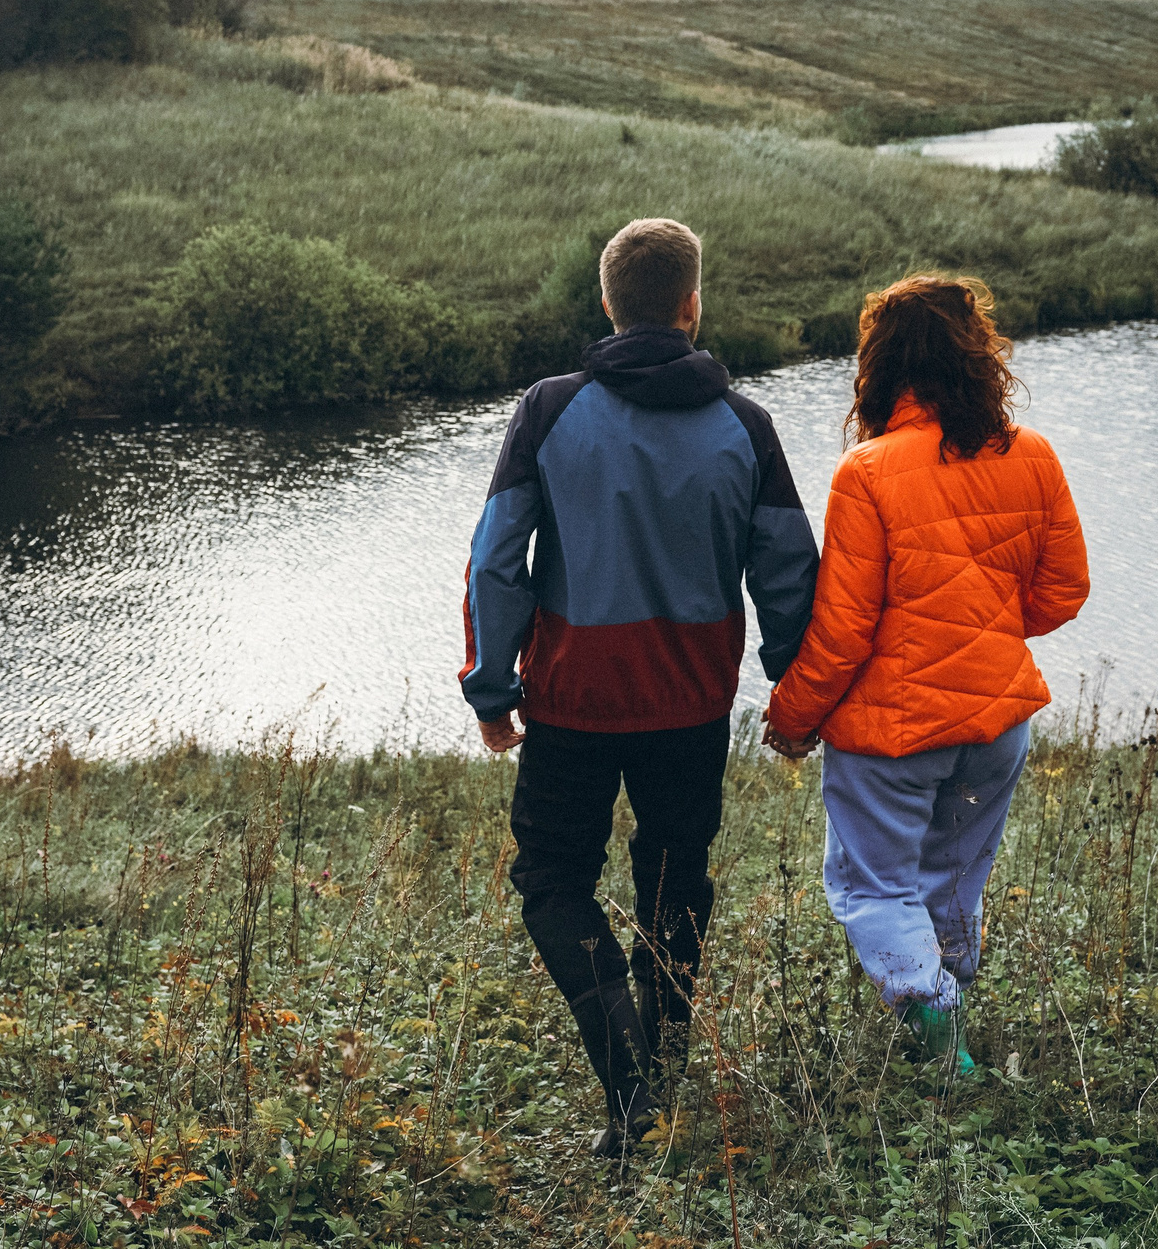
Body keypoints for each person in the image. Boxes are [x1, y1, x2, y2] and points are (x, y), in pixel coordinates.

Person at [459, 217, 818, 1154]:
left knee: (552, 879)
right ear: (692, 306)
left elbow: (496, 559)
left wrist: (491, 687)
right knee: (674, 875)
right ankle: (653, 1072)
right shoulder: (746, 425)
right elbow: (788, 568)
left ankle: (628, 1078)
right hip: (691, 705)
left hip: (571, 699)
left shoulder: (549, 410)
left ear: (607, 304)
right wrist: (796, 691)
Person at [763, 275, 1089, 1072]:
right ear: (979, 357)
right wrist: (982, 631)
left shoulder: (867, 471)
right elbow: (1063, 591)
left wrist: (792, 717)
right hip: (997, 727)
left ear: (880, 366)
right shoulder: (1033, 455)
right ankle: (949, 1038)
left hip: (893, 735)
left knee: (873, 889)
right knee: (953, 882)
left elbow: (843, 631)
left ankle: (940, 1035)